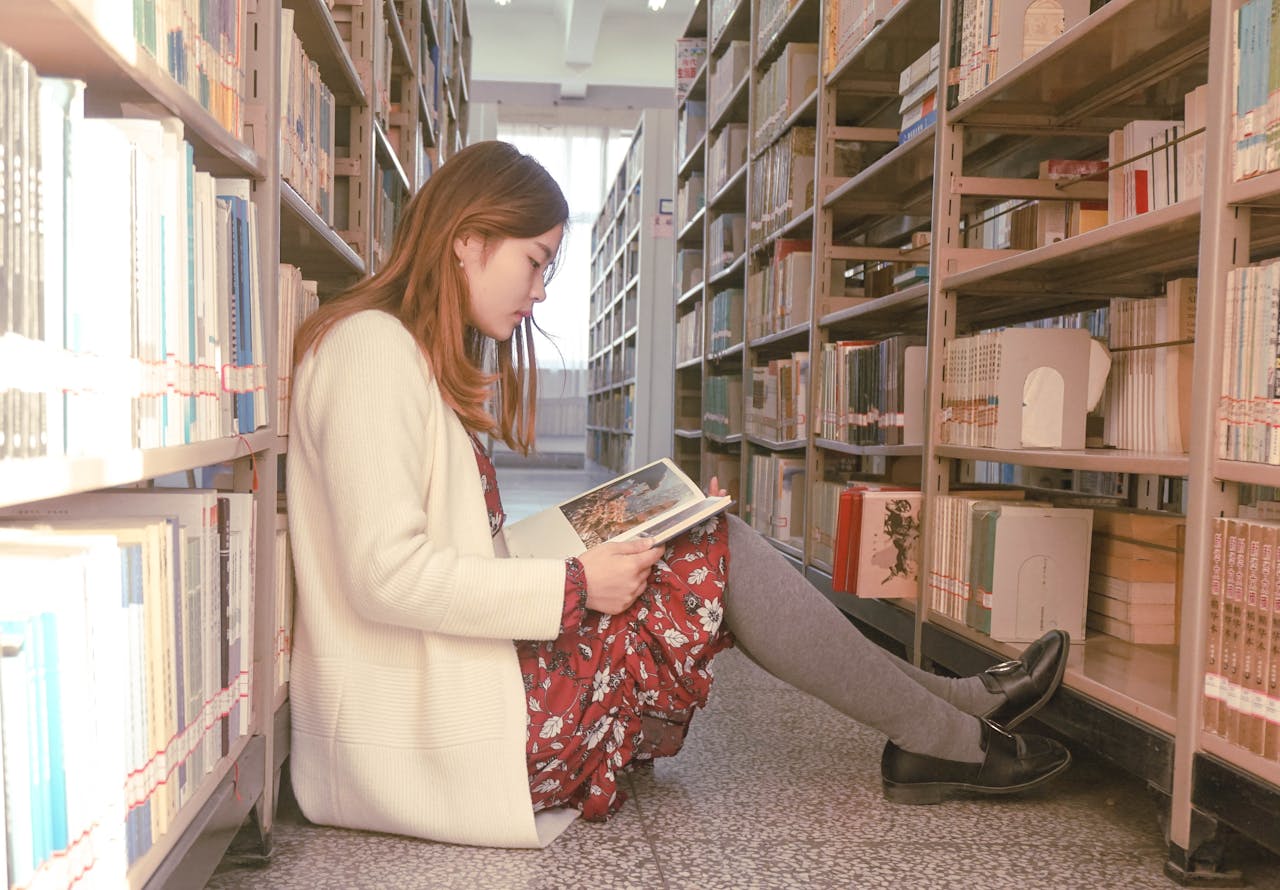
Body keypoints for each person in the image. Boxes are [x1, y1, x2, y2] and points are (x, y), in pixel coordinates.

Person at [286, 141, 1073, 849]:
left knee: (694, 533)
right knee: (714, 550)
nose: (540, 291)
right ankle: (946, 728)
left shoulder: (397, 350)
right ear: (467, 239)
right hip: (444, 737)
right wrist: (575, 583)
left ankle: (950, 710)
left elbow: (455, 555)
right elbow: (385, 574)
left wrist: (612, 532)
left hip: (466, 698)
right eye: (534, 260)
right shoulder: (370, 351)